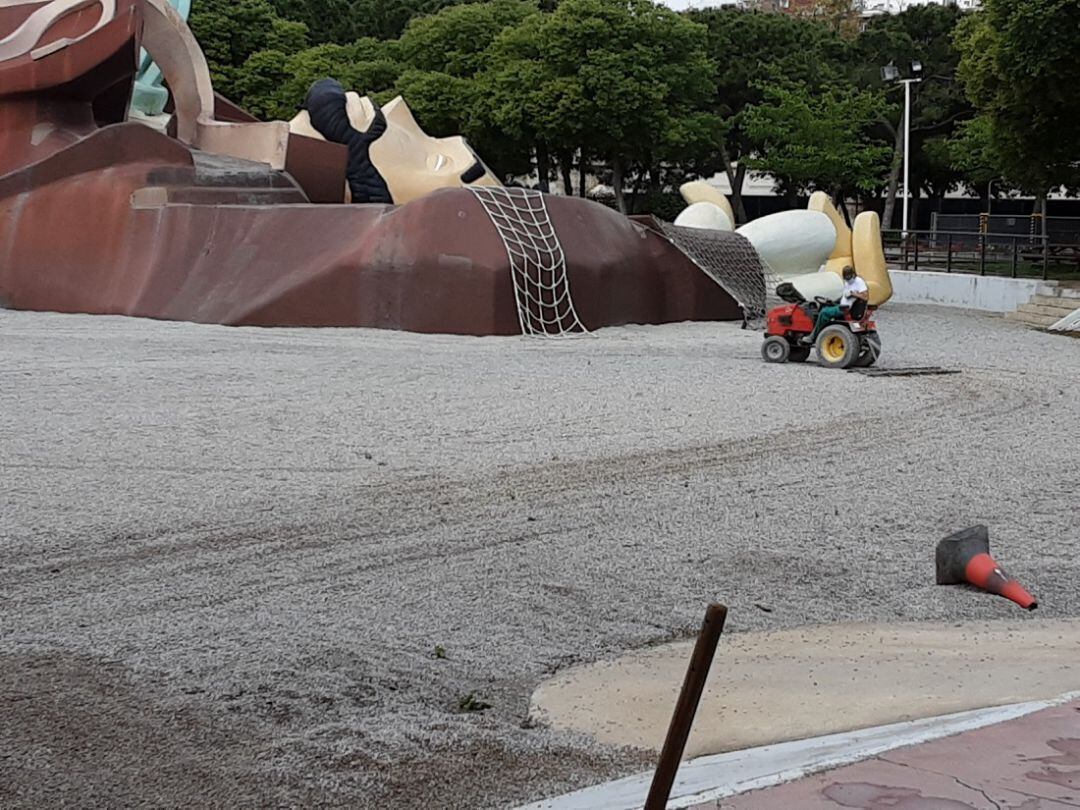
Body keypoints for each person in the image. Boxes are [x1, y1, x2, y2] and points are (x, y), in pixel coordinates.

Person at [801, 266, 869, 345]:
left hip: (845, 309)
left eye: (848, 278)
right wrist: (834, 301)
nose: (847, 280)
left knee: (824, 312)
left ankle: (812, 336)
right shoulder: (848, 282)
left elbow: (865, 296)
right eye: (846, 278)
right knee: (826, 306)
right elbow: (845, 296)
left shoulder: (859, 281)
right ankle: (821, 329)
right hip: (844, 305)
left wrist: (853, 294)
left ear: (853, 275)